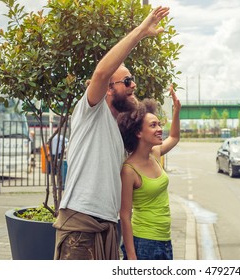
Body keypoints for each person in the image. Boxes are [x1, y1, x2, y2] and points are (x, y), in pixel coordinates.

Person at [53, 6, 170, 260]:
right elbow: (102, 71)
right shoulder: (91, 111)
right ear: (108, 88)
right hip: (80, 226)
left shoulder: (117, 130)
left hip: (107, 228)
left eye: (133, 79)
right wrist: (140, 32)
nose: (133, 85)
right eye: (127, 81)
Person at [118, 85, 181, 260]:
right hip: (144, 243)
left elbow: (174, 137)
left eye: (159, 124)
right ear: (138, 132)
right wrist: (131, 255)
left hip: (164, 240)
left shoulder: (154, 154)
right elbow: (124, 214)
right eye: (153, 125)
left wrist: (176, 111)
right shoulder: (129, 170)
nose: (159, 129)